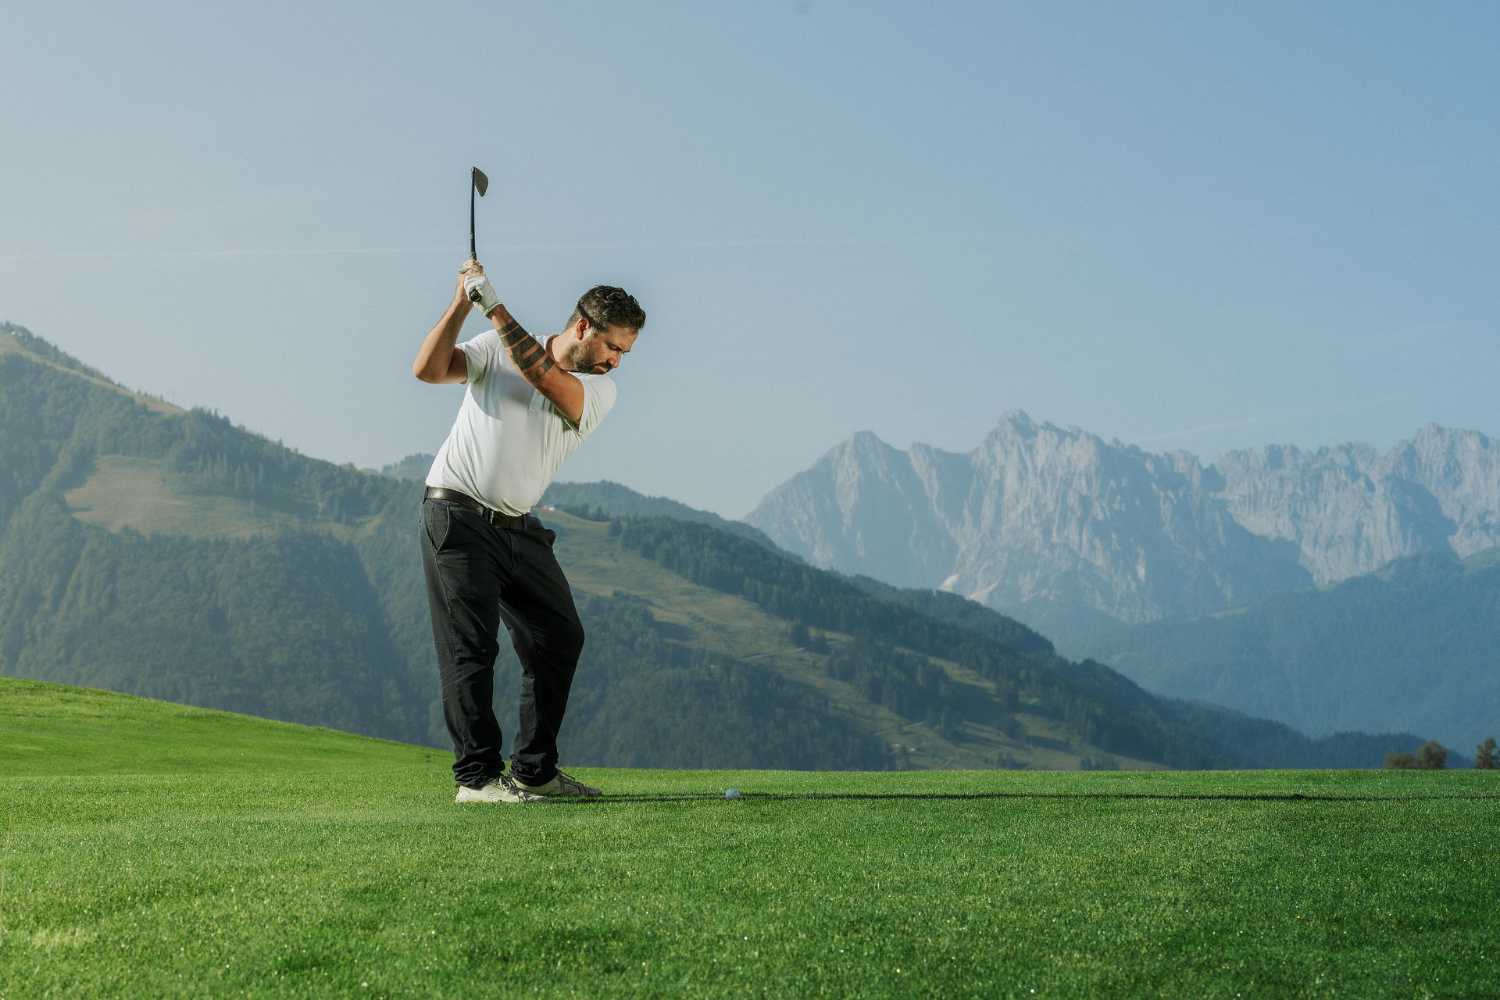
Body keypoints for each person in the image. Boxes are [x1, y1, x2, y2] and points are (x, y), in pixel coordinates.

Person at [411, 260, 644, 803]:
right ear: (584, 327)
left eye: (624, 354)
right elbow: (426, 369)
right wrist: (461, 306)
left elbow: (543, 375)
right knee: (471, 648)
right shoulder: (494, 348)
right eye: (614, 347)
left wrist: (493, 305)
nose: (616, 362)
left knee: (558, 636)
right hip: (457, 515)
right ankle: (476, 780)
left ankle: (535, 771)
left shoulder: (595, 391)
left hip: (518, 529)